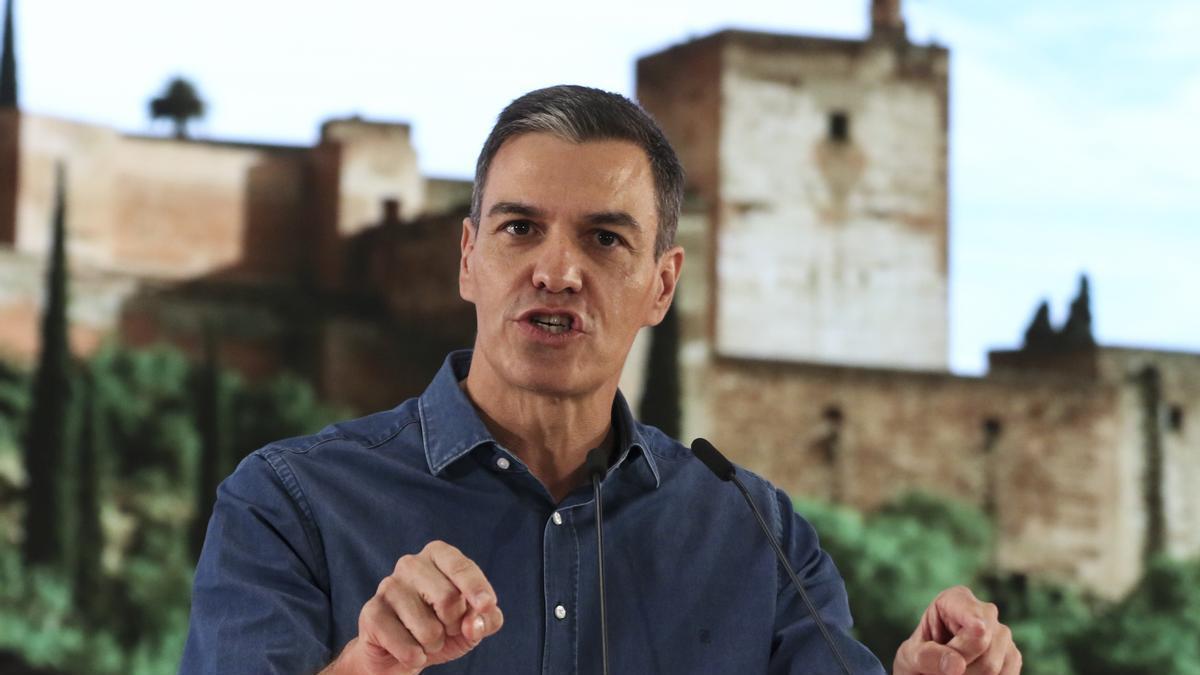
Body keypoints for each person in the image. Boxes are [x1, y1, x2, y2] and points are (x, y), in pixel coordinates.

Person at [181, 85, 1022, 675]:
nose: (558, 270)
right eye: (520, 228)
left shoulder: (757, 537)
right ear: (468, 259)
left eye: (605, 239)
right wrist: (370, 665)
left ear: (662, 284)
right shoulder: (289, 505)